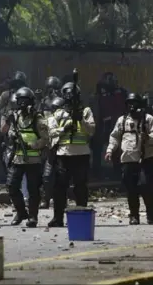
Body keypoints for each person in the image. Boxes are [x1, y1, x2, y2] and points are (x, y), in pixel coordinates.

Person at [47, 82, 96, 227]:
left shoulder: (86, 111)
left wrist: (81, 118)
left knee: (80, 187)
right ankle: (58, 217)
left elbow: (91, 130)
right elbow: (50, 131)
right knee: (59, 187)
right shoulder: (58, 112)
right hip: (63, 154)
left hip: (81, 154)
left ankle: (81, 217)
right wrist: (65, 128)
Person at [2, 87, 48, 227]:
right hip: (17, 158)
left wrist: (32, 145)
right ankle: (21, 212)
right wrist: (12, 135)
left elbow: (45, 138)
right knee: (11, 186)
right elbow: (8, 132)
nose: (22, 104)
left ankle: (32, 217)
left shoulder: (37, 118)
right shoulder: (15, 117)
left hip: (33, 159)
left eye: (25, 101)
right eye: (20, 101)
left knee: (33, 189)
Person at [105, 93, 153, 225]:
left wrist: (148, 138)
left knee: (146, 187)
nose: (132, 106)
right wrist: (110, 150)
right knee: (131, 189)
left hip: (146, 159)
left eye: (134, 103)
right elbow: (114, 136)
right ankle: (134, 216)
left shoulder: (148, 119)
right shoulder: (123, 120)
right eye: (129, 103)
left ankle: (150, 214)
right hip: (127, 160)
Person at [40, 96, 65, 209]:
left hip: (63, 153)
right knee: (47, 177)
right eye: (54, 109)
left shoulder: (67, 120)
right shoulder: (49, 120)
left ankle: (60, 200)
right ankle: (45, 200)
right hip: (51, 152)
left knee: (62, 178)